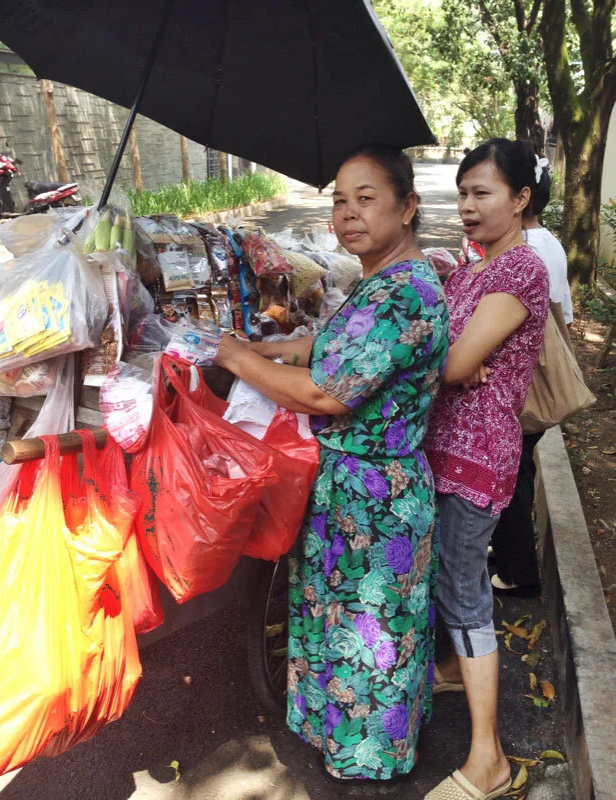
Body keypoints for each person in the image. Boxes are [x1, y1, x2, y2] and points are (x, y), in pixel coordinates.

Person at [214, 144, 449, 780]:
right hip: (353, 487)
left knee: (370, 631)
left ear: (408, 206)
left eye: (366, 199)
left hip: (376, 493)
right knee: (338, 617)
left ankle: (370, 762)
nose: (348, 213)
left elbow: (328, 392)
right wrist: (281, 348)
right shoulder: (386, 281)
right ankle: (340, 739)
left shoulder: (402, 293)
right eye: (339, 200)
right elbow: (332, 346)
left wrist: (237, 357)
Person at [422, 139, 550, 800]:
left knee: (466, 589)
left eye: (484, 193)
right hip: (442, 448)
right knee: (448, 575)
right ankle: (450, 666)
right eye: (463, 192)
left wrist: (455, 360)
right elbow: (455, 359)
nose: (468, 206)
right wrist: (457, 359)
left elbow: (446, 363)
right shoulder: (473, 268)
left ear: (521, 198)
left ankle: (488, 759)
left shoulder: (521, 271)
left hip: (478, 460)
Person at [490, 144, 573, 597]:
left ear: (520, 199)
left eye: (487, 193)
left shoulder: (525, 250)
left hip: (525, 381)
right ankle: (506, 552)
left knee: (513, 477)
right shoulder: (548, 243)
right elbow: (565, 314)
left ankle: (521, 574)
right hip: (534, 375)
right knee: (517, 474)